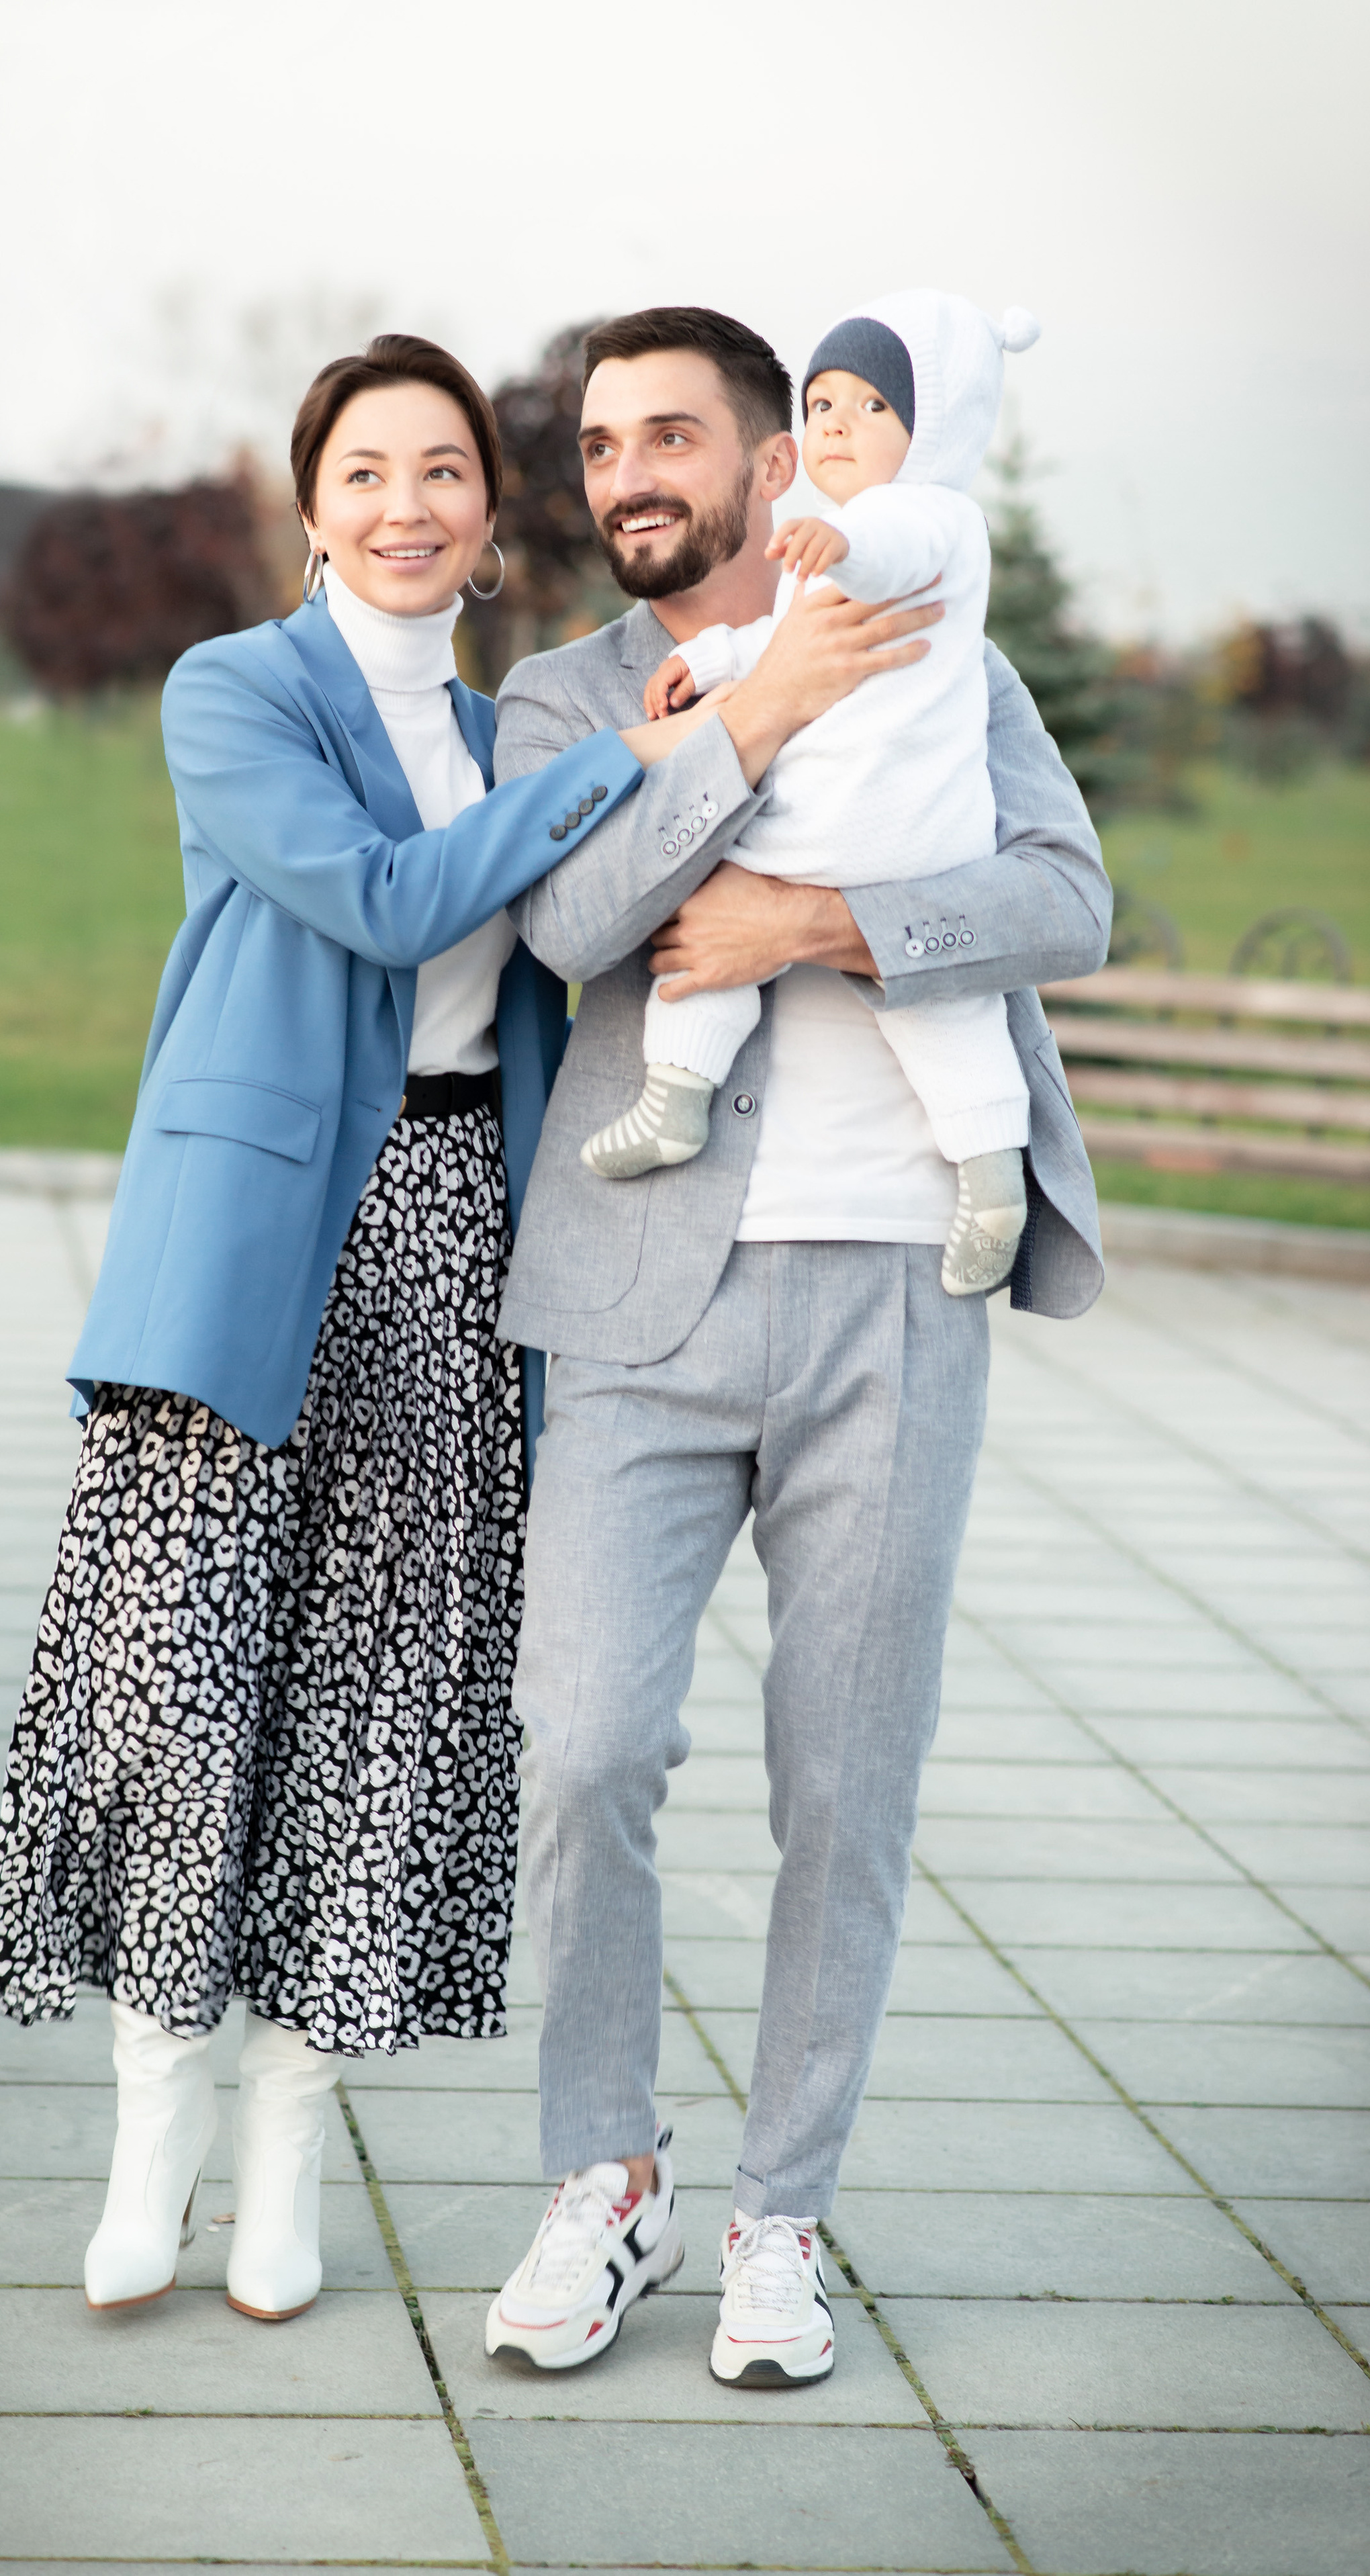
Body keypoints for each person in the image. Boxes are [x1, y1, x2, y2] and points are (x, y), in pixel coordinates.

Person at [0, 332, 903, 2334]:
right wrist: (621, 768)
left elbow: (597, 936)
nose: (407, 507)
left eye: (446, 475)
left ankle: (293, 2151)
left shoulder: (518, 724)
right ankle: (155, 2143)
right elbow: (384, 903)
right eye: (368, 473)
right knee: (190, 1686)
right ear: (315, 506)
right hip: (257, 1241)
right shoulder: (236, 694)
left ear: (489, 520)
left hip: (466, 1239)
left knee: (386, 1716)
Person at [477, 306, 1109, 2387]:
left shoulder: (939, 626)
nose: (629, 471)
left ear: (774, 466)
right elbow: (569, 932)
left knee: (846, 1785)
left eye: (676, 434)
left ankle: (781, 2213)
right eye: (598, 443)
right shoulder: (561, 696)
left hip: (897, 1289)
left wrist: (813, 927)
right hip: (641, 1288)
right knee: (583, 1745)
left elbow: (1063, 899)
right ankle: (608, 2180)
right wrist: (758, 727)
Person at [582, 292, 1042, 1304]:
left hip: (888, 834)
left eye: (871, 408)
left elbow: (895, 555)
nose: (837, 423)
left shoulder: (921, 518)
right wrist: (718, 658)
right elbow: (788, 638)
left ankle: (991, 1178)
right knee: (736, 963)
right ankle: (682, 1094)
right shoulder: (829, 542)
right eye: (824, 401)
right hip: (861, 829)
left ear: (938, 431)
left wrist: (844, 549)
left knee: (931, 1010)